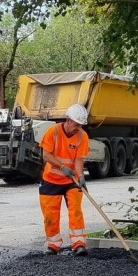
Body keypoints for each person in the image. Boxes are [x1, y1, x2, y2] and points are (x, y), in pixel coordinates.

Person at [39, 104, 91, 256]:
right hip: (51, 179)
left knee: (75, 210)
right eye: (76, 124)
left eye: (80, 124)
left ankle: (79, 243)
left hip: (71, 180)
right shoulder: (52, 131)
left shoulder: (82, 136)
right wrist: (62, 167)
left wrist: (81, 176)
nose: (78, 127)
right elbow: (46, 155)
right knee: (50, 215)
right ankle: (53, 244)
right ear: (68, 120)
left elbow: (79, 159)